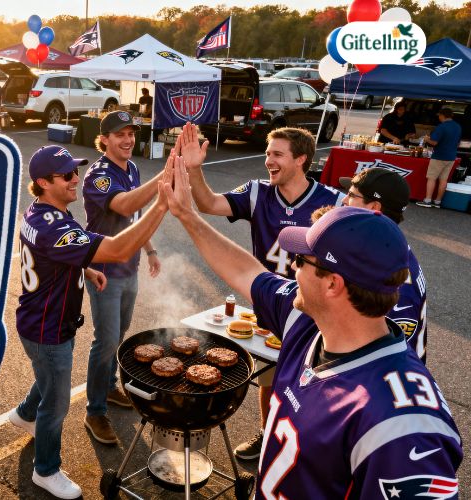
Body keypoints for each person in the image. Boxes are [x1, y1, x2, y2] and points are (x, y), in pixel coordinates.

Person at [162, 162, 462, 498]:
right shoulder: (308, 318)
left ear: (334, 284)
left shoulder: (402, 425)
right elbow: (248, 272)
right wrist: (187, 216)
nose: (291, 266)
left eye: (302, 259)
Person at [11, 145, 170, 498]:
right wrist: (161, 205)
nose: (75, 180)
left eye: (75, 171)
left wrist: (85, 266)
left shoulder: (42, 214)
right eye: (66, 175)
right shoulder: (55, 225)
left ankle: (23, 414)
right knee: (56, 402)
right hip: (47, 328)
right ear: (42, 182)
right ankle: (45, 470)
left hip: (45, 322)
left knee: (50, 377)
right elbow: (116, 248)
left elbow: (54, 253)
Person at [179, 124, 344, 460]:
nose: (268, 160)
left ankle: (308, 448)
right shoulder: (259, 192)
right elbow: (209, 203)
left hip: (315, 308)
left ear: (301, 159)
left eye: (277, 154)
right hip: (272, 301)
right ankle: (268, 435)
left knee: (315, 382)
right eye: (267, 153)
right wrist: (195, 168)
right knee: (270, 375)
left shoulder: (334, 201)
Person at [82, 111, 167, 445]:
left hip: (128, 267)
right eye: (120, 134)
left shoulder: (131, 168)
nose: (128, 139)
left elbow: (135, 216)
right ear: (104, 139)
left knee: (119, 335)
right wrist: (163, 179)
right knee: (104, 343)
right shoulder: (98, 175)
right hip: (104, 272)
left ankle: (109, 388)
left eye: (131, 133)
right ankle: (94, 411)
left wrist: (150, 250)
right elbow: (124, 204)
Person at [338, 168, 428, 362]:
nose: (344, 201)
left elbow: (390, 356)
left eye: (352, 195)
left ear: (375, 207)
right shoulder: (385, 247)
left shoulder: (396, 277)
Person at [417, 107, 462, 208]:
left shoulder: (442, 127)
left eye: (439, 116)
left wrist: (426, 139)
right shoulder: (458, 126)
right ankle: (438, 201)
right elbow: (458, 143)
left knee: (432, 178)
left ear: (442, 115)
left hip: (439, 156)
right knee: (443, 180)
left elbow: (434, 142)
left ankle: (428, 200)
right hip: (451, 157)